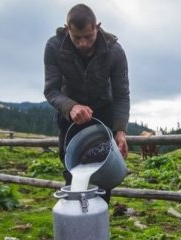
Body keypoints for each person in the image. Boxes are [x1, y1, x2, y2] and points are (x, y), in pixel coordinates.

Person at [43, 3, 130, 203]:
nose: (83, 43)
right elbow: (51, 90)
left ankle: (98, 220)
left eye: (88, 37)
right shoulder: (54, 47)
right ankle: (76, 220)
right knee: (71, 169)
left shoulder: (114, 51)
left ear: (97, 27)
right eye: (76, 38)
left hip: (103, 113)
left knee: (104, 172)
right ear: (67, 30)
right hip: (70, 117)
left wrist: (120, 130)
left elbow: (122, 95)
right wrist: (70, 106)